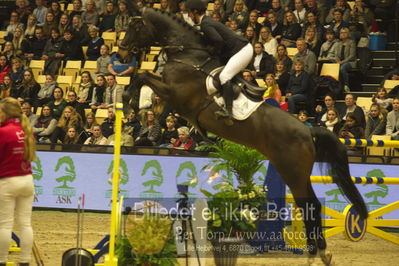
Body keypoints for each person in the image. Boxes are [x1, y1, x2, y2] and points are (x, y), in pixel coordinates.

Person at [186, 0, 253, 123]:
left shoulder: (205, 24)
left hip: (242, 50)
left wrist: (212, 54)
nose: (189, 16)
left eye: (189, 13)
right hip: (239, 50)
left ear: (195, 12)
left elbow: (218, 41)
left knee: (224, 76)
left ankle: (228, 111)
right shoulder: (206, 22)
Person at [0, 97, 36, 266]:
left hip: (8, 180)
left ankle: (2, 260)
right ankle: (25, 261)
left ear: (6, 113)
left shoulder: (3, 132)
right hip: (27, 179)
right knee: (25, 224)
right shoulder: (26, 129)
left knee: (5, 225)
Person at [333, 27, 356, 93]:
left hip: (350, 62)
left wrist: (342, 62)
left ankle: (346, 85)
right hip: (339, 62)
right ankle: (336, 86)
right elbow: (336, 55)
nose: (342, 34)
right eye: (341, 33)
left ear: (348, 34)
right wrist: (337, 61)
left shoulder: (351, 42)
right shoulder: (338, 43)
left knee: (343, 68)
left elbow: (352, 56)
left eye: (344, 32)